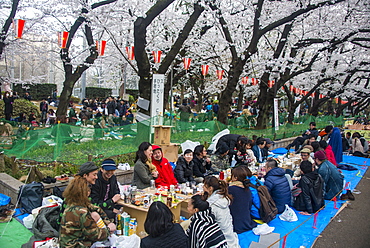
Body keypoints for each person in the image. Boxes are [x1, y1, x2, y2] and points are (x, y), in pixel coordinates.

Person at [60, 176, 116, 247]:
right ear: (86, 192)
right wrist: (109, 229)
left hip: (67, 243)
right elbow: (96, 235)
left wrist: (107, 221)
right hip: (75, 245)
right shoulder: (81, 213)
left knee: (94, 214)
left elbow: (96, 209)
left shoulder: (71, 204)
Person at [203, 176, 240, 247]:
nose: (203, 188)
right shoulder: (222, 198)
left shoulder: (212, 204)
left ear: (210, 188)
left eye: (204, 186)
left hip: (221, 238)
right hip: (230, 235)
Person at [228, 166, 257, 233]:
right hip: (246, 221)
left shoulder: (231, 189)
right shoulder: (247, 189)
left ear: (235, 178)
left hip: (235, 224)